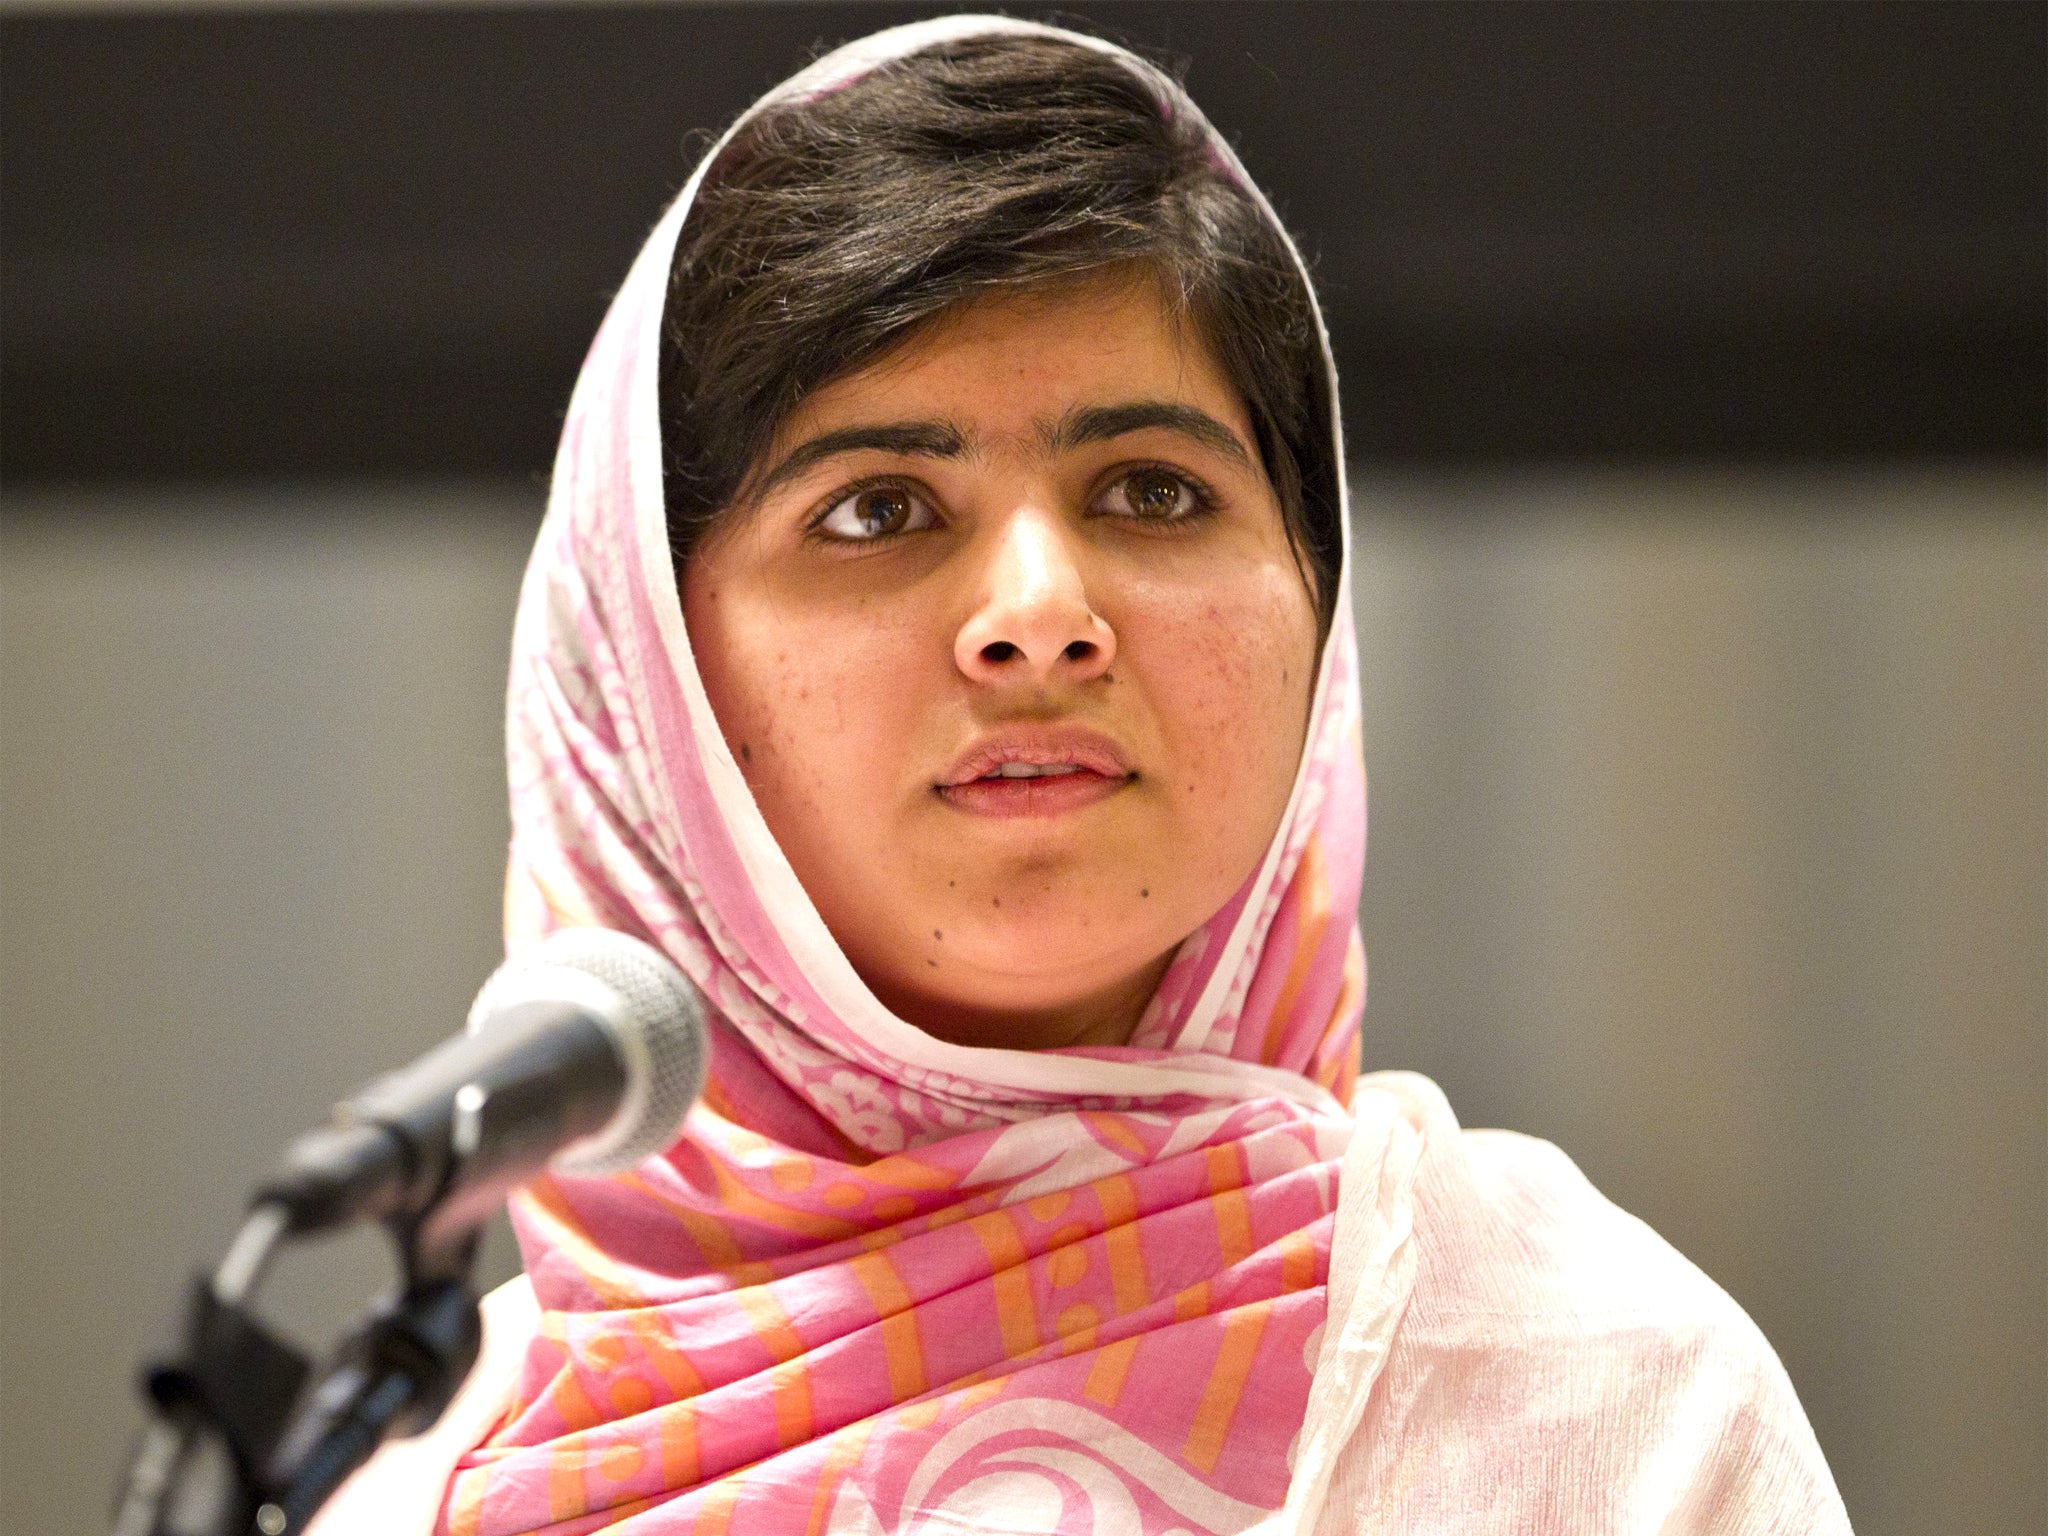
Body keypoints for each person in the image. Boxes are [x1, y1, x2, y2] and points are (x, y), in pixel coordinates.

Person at [315, 17, 1851, 1534]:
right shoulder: (394, 1492)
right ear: (653, 675)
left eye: (1154, 489)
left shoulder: (1597, 1402)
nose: (1040, 617)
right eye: (879, 511)